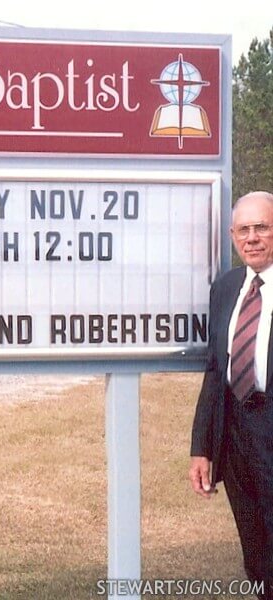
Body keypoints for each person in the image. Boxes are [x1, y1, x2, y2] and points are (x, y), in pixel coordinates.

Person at [190, 190, 273, 600]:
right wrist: (202, 448)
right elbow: (213, 370)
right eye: (244, 229)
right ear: (232, 235)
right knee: (255, 553)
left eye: (262, 227)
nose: (253, 238)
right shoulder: (225, 288)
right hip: (237, 436)